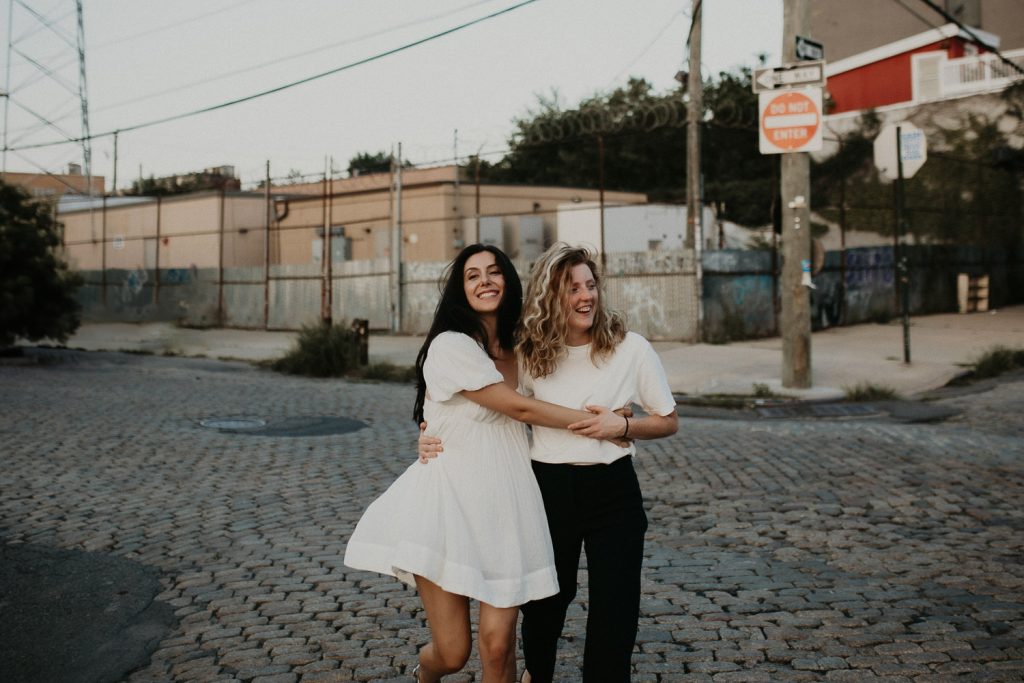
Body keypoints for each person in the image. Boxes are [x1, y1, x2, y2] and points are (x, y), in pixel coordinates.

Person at [344, 244, 627, 683]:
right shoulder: (450, 346)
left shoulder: (527, 348)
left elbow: (572, 379)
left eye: (494, 272)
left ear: (508, 281)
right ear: (461, 290)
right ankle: (426, 673)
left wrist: (623, 413)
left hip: (508, 507)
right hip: (447, 506)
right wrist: (601, 425)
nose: (485, 281)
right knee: (454, 653)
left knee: (497, 646)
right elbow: (523, 410)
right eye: (472, 276)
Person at [419, 243, 679, 682]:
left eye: (590, 285)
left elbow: (668, 420)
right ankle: (536, 674)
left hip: (614, 490)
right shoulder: (532, 353)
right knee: (546, 605)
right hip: (547, 489)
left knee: (616, 609)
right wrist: (428, 432)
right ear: (550, 297)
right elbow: (496, 408)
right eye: (571, 288)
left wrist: (624, 427)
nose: (585, 296)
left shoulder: (630, 348)